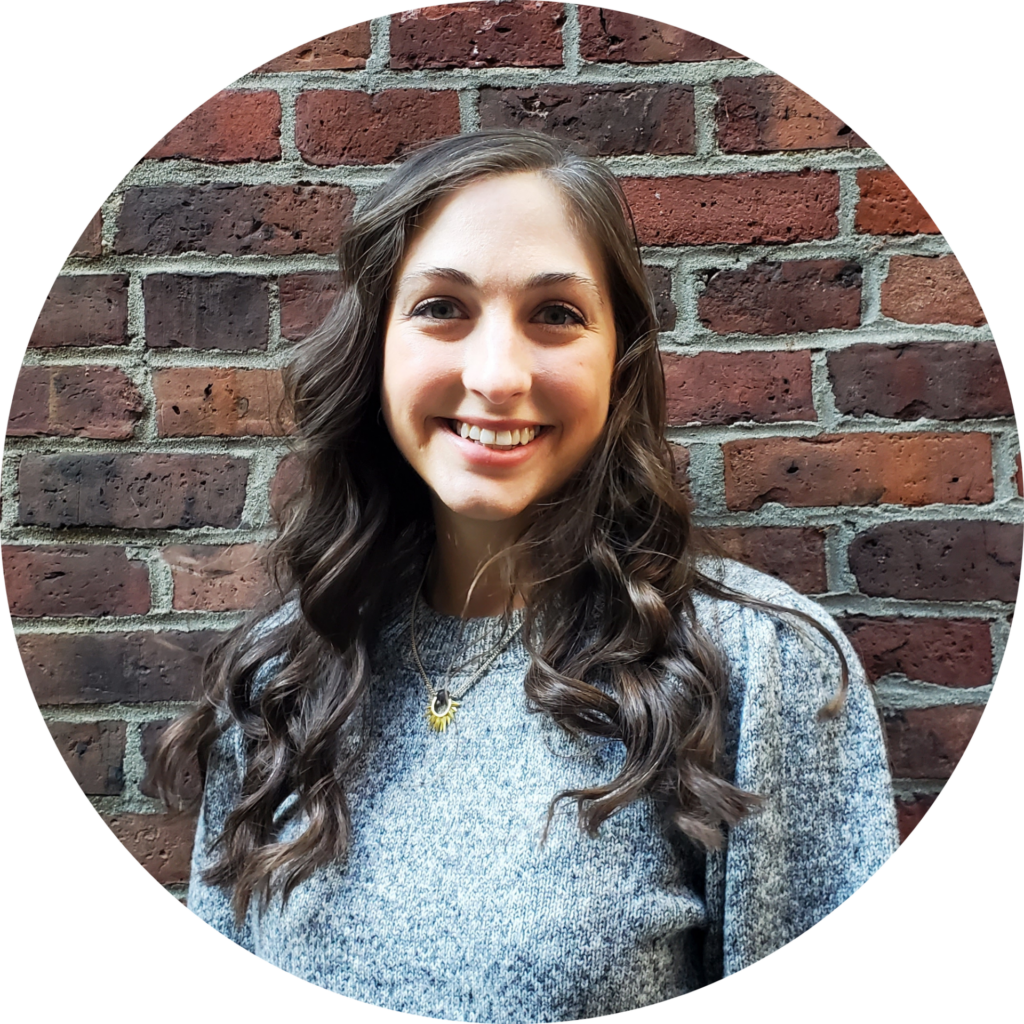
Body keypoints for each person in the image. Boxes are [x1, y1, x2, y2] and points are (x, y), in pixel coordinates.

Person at [148, 130, 899, 1019]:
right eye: (441, 308)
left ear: (618, 361)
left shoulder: (762, 666)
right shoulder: (286, 673)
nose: (498, 376)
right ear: (376, 349)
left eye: (555, 314)